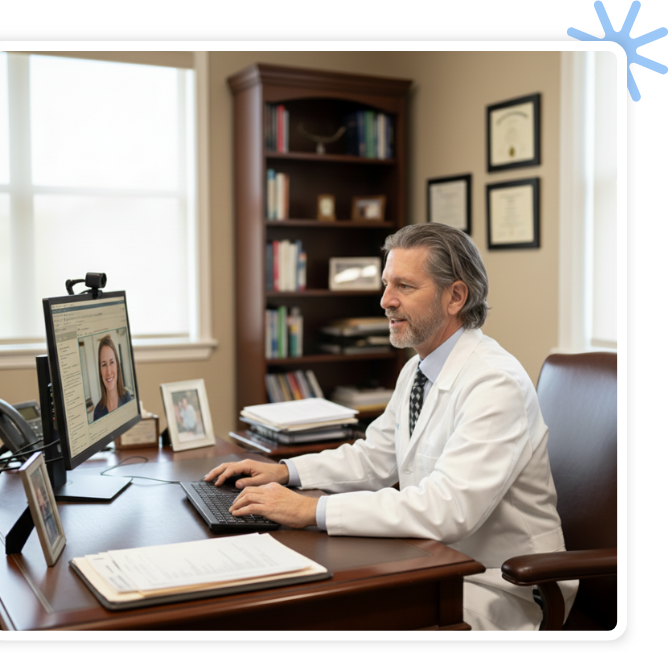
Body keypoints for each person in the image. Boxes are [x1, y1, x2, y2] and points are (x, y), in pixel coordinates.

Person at [205, 223, 577, 631]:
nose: (385, 301)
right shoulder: (418, 368)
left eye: (404, 286)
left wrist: (312, 508)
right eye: (385, 284)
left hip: (501, 584)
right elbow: (375, 457)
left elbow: (447, 509)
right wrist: (288, 471)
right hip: (435, 560)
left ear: (455, 296)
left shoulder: (494, 383)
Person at [93, 334, 132, 421]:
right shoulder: (97, 412)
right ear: (100, 370)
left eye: (111, 362)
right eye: (104, 364)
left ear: (117, 365)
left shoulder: (127, 398)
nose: (109, 371)